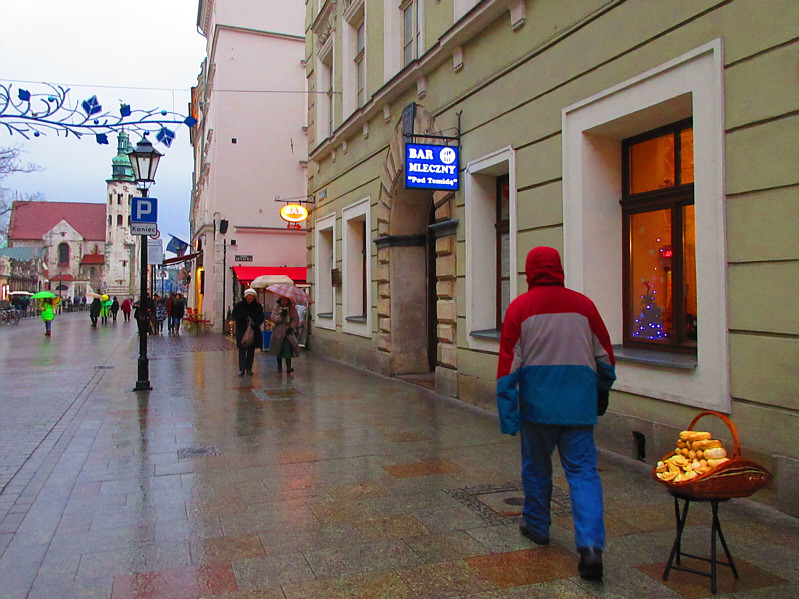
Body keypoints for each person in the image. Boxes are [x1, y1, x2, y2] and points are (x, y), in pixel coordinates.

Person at [496, 247, 616, 581]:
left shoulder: (520, 308)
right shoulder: (584, 306)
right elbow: (605, 357)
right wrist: (601, 394)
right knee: (583, 473)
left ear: (529, 273)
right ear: (559, 270)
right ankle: (591, 547)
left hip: (537, 408)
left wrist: (508, 416)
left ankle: (536, 525)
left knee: (536, 468)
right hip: (579, 406)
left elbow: (508, 369)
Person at [232, 289, 264, 376]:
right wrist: (244, 318)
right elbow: (235, 315)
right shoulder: (239, 306)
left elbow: (261, 318)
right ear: (245, 297)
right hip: (242, 331)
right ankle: (242, 368)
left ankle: (249, 368)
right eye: (248, 298)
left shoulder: (257, 306)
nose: (250, 299)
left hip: (253, 331)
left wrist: (254, 322)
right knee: (242, 350)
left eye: (251, 298)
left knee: (251, 351)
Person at [268, 296, 300, 373]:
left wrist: (291, 327)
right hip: (278, 331)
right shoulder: (277, 308)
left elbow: (296, 318)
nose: (284, 302)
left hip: (288, 331)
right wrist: (281, 315)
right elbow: (273, 318)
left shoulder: (291, 308)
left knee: (288, 348)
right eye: (283, 300)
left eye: (286, 300)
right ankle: (279, 366)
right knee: (278, 348)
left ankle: (288, 367)